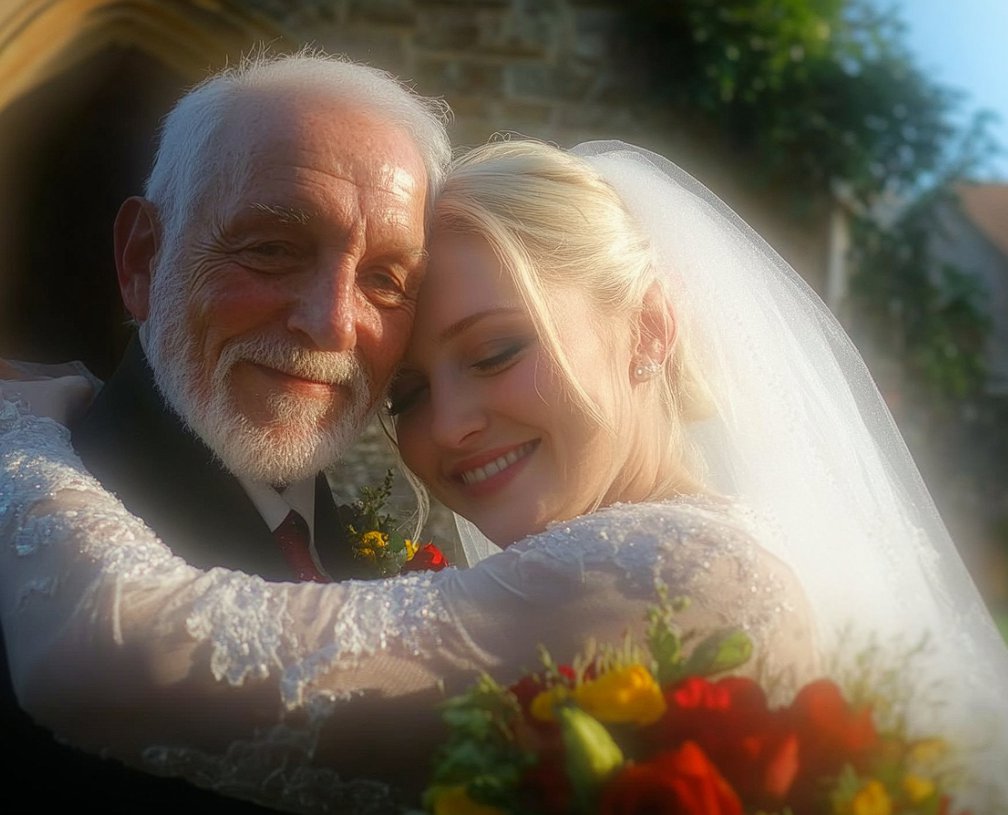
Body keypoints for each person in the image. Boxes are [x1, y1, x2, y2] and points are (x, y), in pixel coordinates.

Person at [3, 139, 1007, 812]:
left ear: (649, 326)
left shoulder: (680, 566)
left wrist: (25, 437)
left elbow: (113, 654)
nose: (452, 425)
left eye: (494, 353)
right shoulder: (699, 542)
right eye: (407, 395)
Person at [0, 49, 451, 813]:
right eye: (273, 248)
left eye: (385, 279)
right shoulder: (31, 549)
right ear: (143, 258)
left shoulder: (329, 532)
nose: (333, 323)